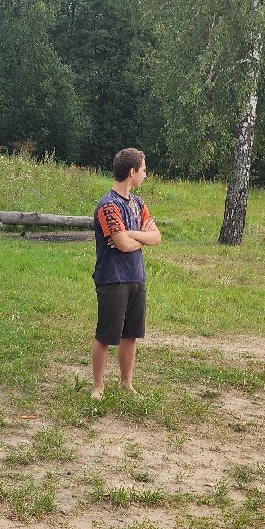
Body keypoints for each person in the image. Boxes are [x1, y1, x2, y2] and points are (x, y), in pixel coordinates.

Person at [91, 147, 160, 398]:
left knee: (131, 334)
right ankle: (98, 386)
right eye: (143, 169)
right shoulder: (108, 206)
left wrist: (133, 235)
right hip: (112, 278)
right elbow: (122, 244)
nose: (146, 174)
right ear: (132, 172)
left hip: (136, 276)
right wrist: (140, 238)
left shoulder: (138, 203)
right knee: (106, 335)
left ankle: (126, 384)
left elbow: (156, 236)